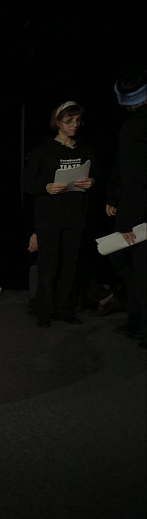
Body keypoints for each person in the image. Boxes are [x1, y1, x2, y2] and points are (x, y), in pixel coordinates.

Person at [23, 101, 97, 327]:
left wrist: (92, 182)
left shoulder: (84, 149)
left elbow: (97, 175)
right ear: (58, 122)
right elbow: (28, 182)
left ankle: (65, 309)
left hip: (75, 215)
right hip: (49, 217)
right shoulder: (44, 150)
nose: (75, 125)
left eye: (77, 121)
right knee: (49, 264)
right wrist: (46, 187)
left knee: (70, 264)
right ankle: (44, 311)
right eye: (69, 121)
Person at [105, 67, 147, 348]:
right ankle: (136, 319)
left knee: (127, 261)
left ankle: (140, 323)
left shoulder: (132, 128)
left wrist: (117, 200)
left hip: (137, 209)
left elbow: (130, 171)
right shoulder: (132, 127)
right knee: (133, 264)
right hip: (135, 206)